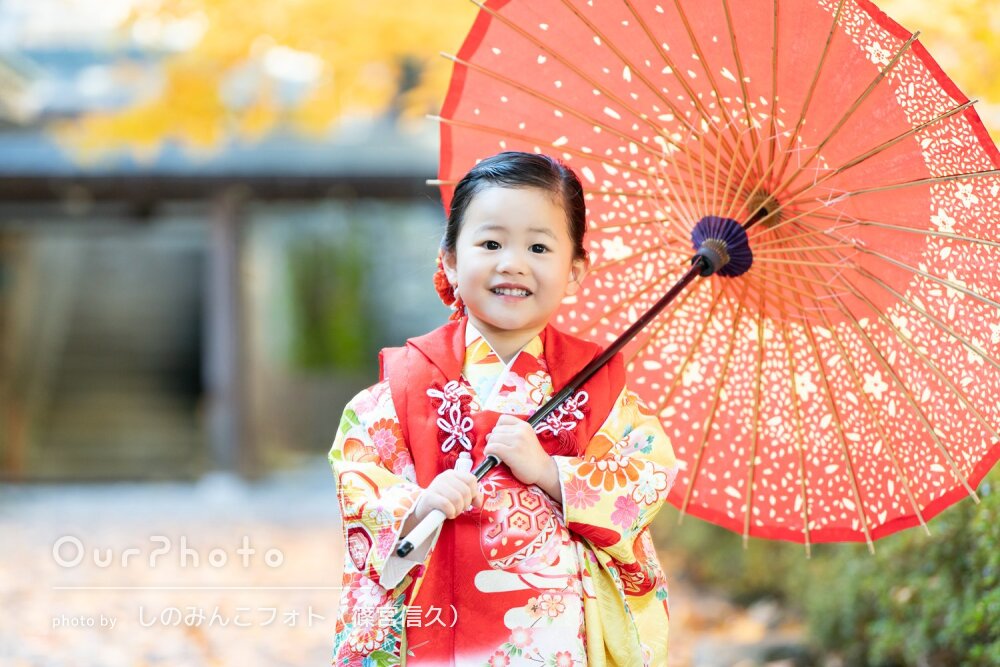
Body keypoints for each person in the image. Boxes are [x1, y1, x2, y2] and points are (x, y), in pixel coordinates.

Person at [328, 151, 679, 666]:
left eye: (538, 247)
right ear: (450, 259)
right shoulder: (407, 383)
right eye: (491, 243)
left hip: (552, 631)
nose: (512, 263)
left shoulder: (596, 388)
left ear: (575, 269)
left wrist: (551, 472)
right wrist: (419, 505)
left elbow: (646, 473)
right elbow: (359, 472)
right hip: (438, 618)